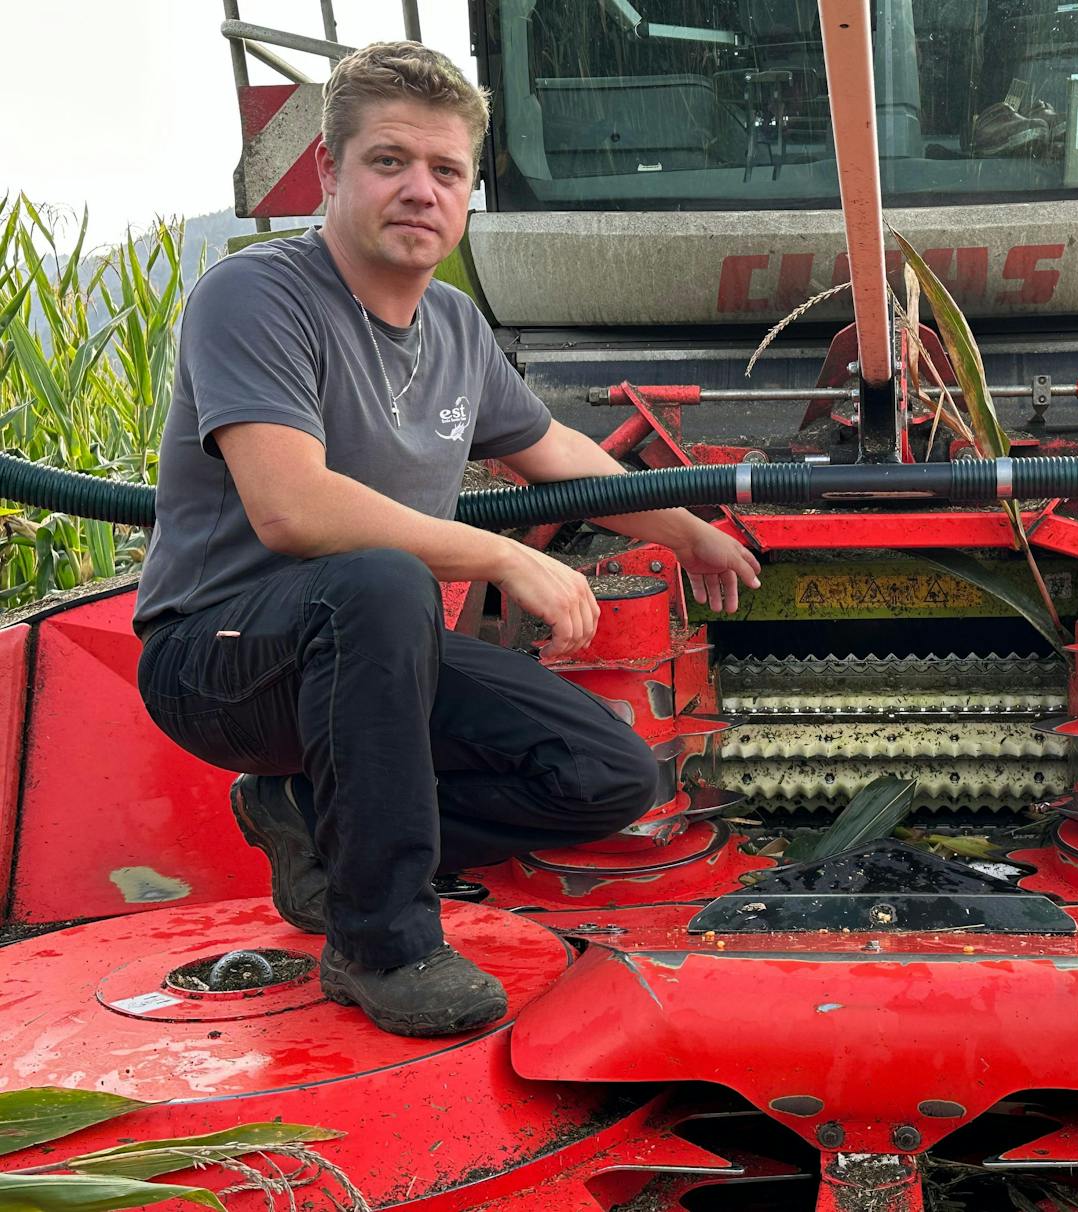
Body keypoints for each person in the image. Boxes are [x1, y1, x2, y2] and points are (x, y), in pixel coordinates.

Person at [132, 41, 762, 1038]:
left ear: (468, 193)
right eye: (389, 162)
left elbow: (555, 450)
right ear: (331, 173)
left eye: (446, 171)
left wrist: (690, 532)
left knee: (607, 775)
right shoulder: (255, 294)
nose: (420, 190)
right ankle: (381, 945)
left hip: (371, 659)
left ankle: (317, 830)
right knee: (380, 582)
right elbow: (291, 508)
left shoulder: (457, 327)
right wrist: (510, 555)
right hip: (217, 661)